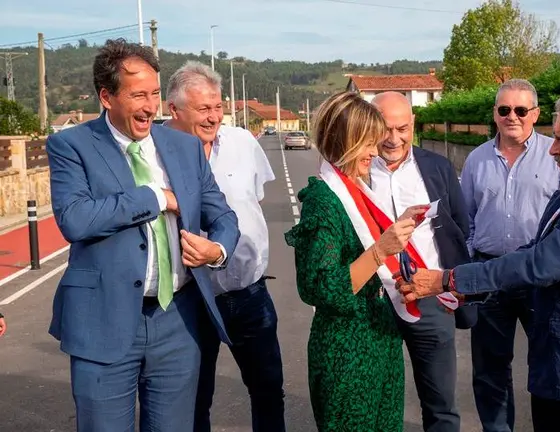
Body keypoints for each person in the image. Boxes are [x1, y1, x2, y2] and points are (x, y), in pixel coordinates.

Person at [397, 84, 560, 432]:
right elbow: (534, 248)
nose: (551, 150)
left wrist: (447, 279)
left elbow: (540, 262)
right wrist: (469, 286)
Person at [46, 39, 240, 432]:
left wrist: (216, 249)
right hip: (103, 321)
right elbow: (75, 219)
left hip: (177, 321)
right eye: (138, 96)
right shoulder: (71, 145)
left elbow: (223, 215)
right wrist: (154, 197)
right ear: (106, 96)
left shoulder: (183, 147)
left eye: (154, 93)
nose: (151, 106)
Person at [285, 91, 423, 432]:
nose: (375, 152)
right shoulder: (322, 200)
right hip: (347, 350)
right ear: (344, 141)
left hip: (379, 338)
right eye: (368, 144)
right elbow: (322, 288)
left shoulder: (355, 189)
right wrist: (380, 250)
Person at [163, 61, 285, 432]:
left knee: (268, 391)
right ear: (174, 110)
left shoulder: (243, 142)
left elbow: (254, 202)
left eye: (218, 107)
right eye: (203, 109)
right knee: (196, 400)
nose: (214, 116)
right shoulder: (156, 153)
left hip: (249, 294)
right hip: (191, 300)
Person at [459, 78, 560, 432]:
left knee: (548, 364)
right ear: (495, 114)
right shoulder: (476, 160)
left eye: (521, 110)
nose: (512, 117)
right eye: (504, 110)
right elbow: (466, 219)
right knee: (489, 369)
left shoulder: (556, 155)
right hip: (489, 275)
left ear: (535, 114)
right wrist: (470, 266)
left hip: (539, 277)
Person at [370, 91, 471, 432]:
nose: (394, 139)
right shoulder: (353, 171)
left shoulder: (438, 168)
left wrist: (454, 284)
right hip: (372, 303)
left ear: (413, 124)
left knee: (441, 405)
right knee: (377, 402)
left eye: (402, 128)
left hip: (428, 299)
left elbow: (461, 229)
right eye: (385, 129)